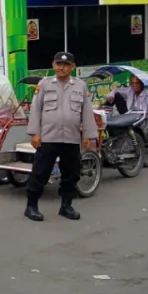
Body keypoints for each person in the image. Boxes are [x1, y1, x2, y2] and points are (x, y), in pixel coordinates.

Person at [24, 52, 99, 223]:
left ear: (73, 67)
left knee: (71, 174)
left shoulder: (80, 86)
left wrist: (88, 135)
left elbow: (87, 112)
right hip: (48, 137)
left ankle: (66, 206)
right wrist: (35, 133)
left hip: (71, 138)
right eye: (58, 64)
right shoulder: (44, 84)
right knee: (40, 172)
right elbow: (35, 110)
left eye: (65, 65)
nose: (61, 68)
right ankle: (31, 206)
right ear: (53, 65)